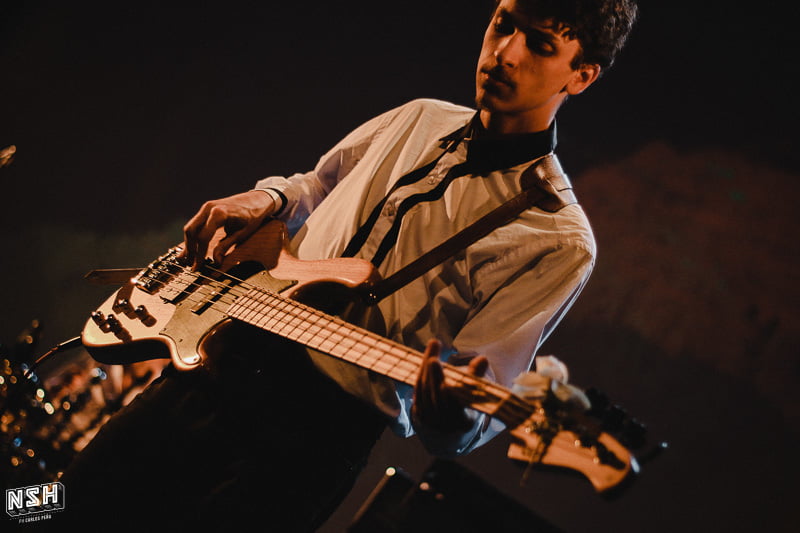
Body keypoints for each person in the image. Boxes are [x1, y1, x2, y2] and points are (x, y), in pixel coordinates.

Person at [59, 0, 638, 530]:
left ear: (582, 75)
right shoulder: (419, 117)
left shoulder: (559, 239)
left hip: (303, 448)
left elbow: (470, 413)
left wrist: (451, 413)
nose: (505, 52)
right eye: (503, 24)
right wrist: (268, 198)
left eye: (540, 44)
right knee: (52, 505)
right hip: (211, 367)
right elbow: (317, 185)